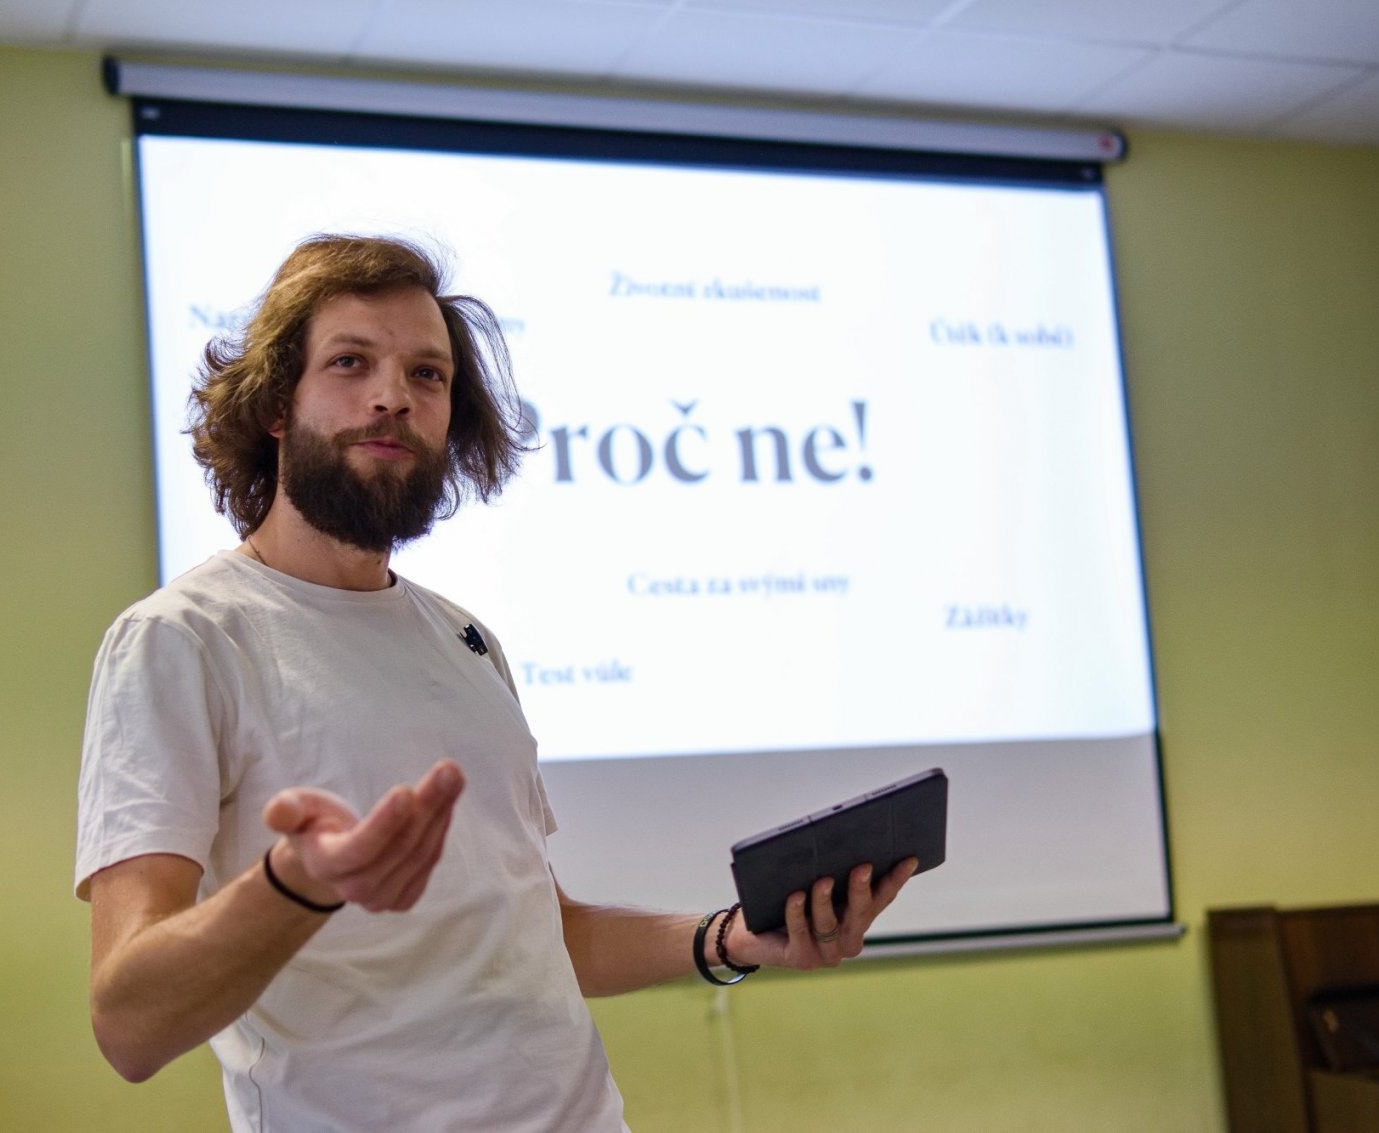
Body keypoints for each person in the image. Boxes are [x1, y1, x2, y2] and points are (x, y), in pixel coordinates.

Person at [75, 234, 917, 1132]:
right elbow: (129, 1025)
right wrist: (294, 885)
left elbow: (545, 934)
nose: (393, 396)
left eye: (427, 375)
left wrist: (730, 937)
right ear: (277, 403)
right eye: (351, 362)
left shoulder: (465, 639)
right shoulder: (181, 640)